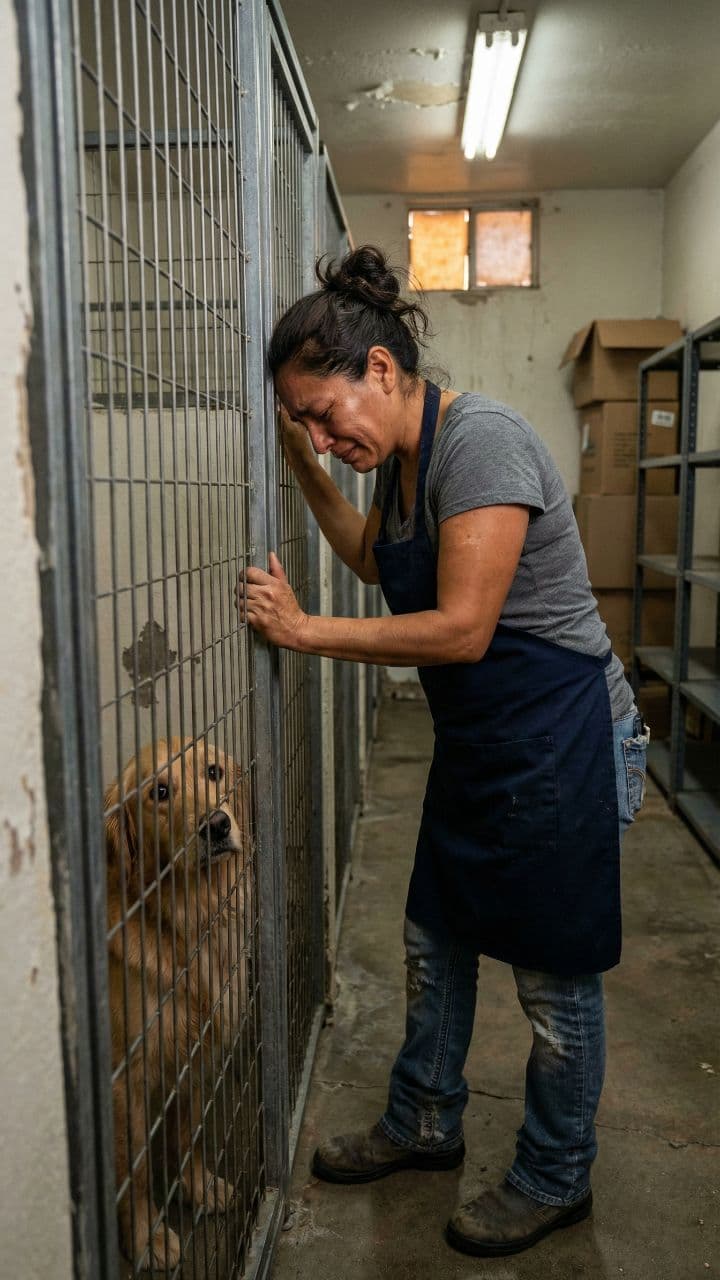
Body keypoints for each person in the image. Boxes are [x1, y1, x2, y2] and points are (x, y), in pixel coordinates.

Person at [237, 245, 649, 1259]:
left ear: (381, 371)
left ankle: (558, 1174)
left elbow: (463, 625)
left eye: (323, 414)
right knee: (435, 941)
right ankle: (425, 1118)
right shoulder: (408, 462)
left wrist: (304, 630)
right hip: (483, 741)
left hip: (562, 737)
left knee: (553, 981)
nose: (324, 438)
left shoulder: (484, 443)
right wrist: (301, 466)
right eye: (302, 423)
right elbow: (383, 561)